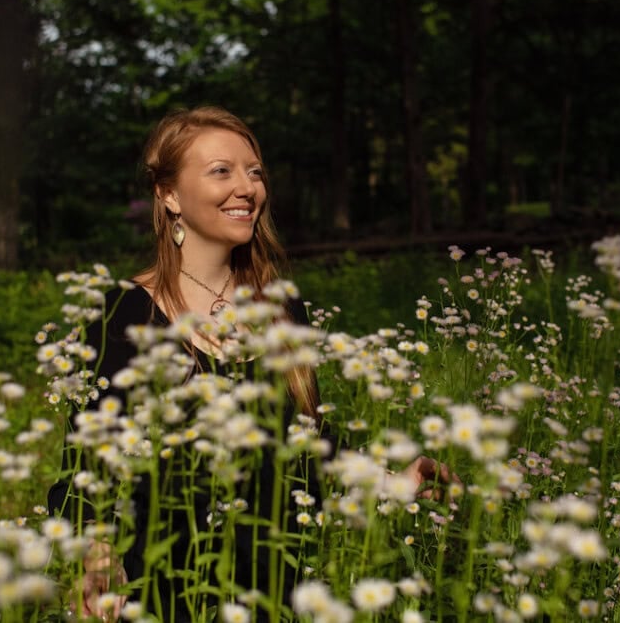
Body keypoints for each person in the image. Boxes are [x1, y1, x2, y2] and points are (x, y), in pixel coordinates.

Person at [47, 107, 457, 621]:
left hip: (275, 590)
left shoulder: (283, 310)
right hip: (170, 590)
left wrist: (391, 480)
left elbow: (308, 439)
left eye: (255, 172)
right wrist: (97, 555)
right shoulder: (125, 311)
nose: (247, 188)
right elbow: (86, 462)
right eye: (222, 171)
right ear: (169, 195)